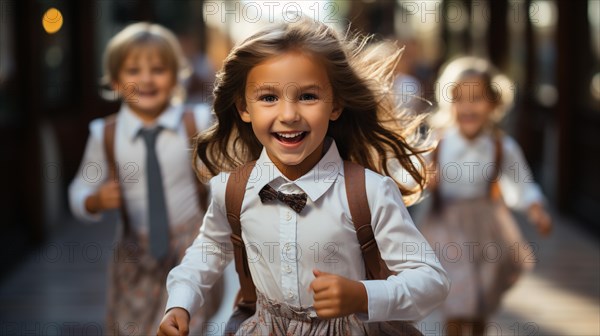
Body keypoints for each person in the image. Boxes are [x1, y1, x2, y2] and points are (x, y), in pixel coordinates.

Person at [158, 18, 449, 336]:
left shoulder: (370, 191)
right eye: (269, 98)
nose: (288, 115)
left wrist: (364, 295)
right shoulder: (231, 190)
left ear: (335, 105)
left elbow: (431, 280)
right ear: (243, 107)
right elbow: (207, 252)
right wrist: (180, 303)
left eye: (308, 96)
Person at [68, 22, 218, 335]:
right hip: (134, 252)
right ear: (115, 80)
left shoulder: (198, 121)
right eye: (133, 70)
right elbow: (79, 188)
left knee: (186, 324)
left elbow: (226, 173)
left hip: (190, 247)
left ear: (177, 75)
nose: (146, 79)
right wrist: (94, 201)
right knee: (130, 325)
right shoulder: (104, 134)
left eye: (159, 69)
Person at [422, 56, 552, 336]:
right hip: (447, 227)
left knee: (481, 297)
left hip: (488, 228)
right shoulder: (437, 144)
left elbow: (521, 183)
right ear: (449, 102)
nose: (468, 106)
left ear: (494, 104)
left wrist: (535, 208)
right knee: (457, 297)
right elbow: (410, 177)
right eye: (460, 99)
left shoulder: (501, 146)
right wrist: (424, 181)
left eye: (477, 98)